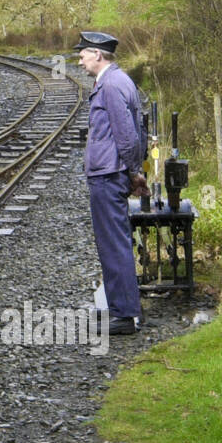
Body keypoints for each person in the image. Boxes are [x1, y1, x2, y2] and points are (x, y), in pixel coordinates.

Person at [74, 31, 146, 336]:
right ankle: (120, 309)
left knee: (114, 245)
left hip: (108, 174)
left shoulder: (112, 84)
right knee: (112, 243)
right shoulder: (115, 81)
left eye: (83, 54)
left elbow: (127, 135)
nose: (79, 59)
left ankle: (125, 314)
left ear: (98, 55)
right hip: (109, 172)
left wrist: (133, 171)